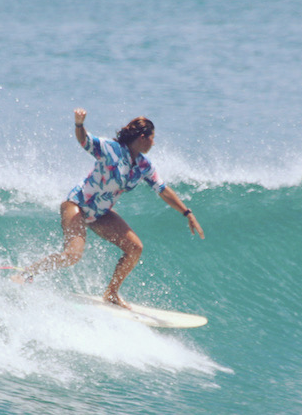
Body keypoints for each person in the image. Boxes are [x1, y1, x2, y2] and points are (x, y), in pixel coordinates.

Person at [14, 108, 204, 308]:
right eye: (152, 138)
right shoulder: (110, 149)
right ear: (142, 137)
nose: (153, 143)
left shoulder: (143, 165)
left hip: (100, 214)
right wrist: (79, 124)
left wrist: (187, 213)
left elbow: (163, 190)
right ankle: (26, 273)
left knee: (135, 248)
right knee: (72, 255)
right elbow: (84, 140)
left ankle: (111, 293)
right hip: (77, 204)